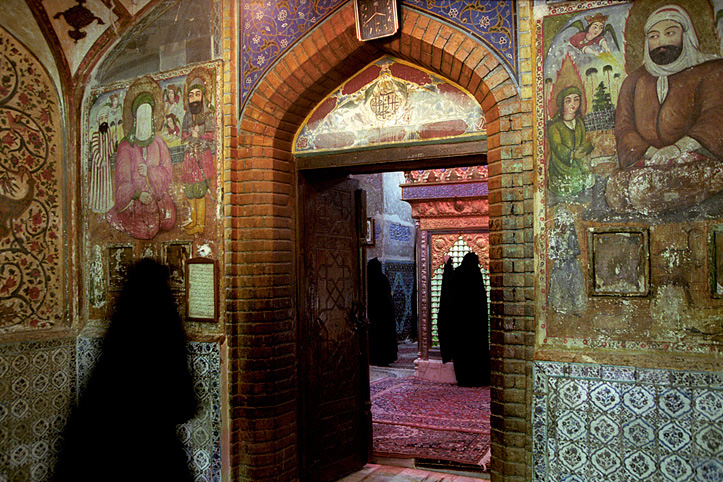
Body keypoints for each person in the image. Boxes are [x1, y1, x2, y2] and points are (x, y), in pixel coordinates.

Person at [53, 259, 197, 482]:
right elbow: (181, 395)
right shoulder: (165, 323)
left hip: (109, 438)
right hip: (151, 439)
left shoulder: (122, 323)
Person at [608, 4, 723, 215]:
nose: (661, 42)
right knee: (616, 192)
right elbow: (624, 127)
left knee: (646, 195)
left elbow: (715, 117)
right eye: (653, 36)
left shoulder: (711, 70)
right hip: (648, 161)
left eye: (670, 33)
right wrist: (651, 153)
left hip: (695, 159)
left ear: (685, 34)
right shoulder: (633, 81)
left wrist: (678, 149)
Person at [105, 90, 177, 239]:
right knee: (145, 230)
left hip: (157, 198)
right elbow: (122, 182)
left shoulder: (159, 143)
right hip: (135, 201)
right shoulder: (125, 146)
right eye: (141, 114)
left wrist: (150, 172)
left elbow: (168, 174)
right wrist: (138, 194)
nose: (144, 118)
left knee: (168, 220)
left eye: (148, 114)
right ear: (135, 118)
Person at [181, 73, 216, 235]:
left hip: (203, 157)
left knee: (200, 190)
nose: (194, 99)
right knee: (189, 190)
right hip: (189, 158)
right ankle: (193, 220)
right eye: (191, 96)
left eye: (197, 95)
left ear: (202, 96)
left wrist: (198, 136)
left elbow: (211, 136)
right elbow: (182, 137)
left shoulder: (208, 114)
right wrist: (189, 137)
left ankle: (200, 224)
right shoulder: (187, 116)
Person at [448, 252, 489, 387]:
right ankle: (478, 378)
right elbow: (481, 299)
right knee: (476, 350)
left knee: (462, 350)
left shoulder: (457, 273)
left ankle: (463, 378)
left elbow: (452, 298)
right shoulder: (476, 273)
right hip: (476, 322)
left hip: (460, 322)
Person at [547, 86, 594, 200]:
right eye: (568, 101)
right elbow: (558, 148)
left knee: (591, 179)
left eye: (576, 99)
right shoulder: (555, 127)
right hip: (561, 168)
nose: (573, 104)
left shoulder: (579, 123)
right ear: (563, 104)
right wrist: (572, 155)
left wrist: (589, 146)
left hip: (578, 163)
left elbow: (582, 143)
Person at [367, 257, 397, 366]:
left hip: (374, 314)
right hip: (385, 313)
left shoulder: (368, 280)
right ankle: (384, 358)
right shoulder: (382, 278)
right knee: (384, 337)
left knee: (375, 337)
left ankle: (374, 358)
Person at [88, 105, 114, 213]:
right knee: (98, 184)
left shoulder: (107, 135)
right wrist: (100, 161)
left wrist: (113, 141)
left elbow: (109, 152)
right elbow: (94, 150)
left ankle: (106, 204)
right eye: (102, 119)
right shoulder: (95, 135)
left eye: (106, 118)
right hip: (98, 167)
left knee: (106, 183)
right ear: (98, 121)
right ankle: (97, 205)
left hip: (106, 165)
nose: (104, 121)